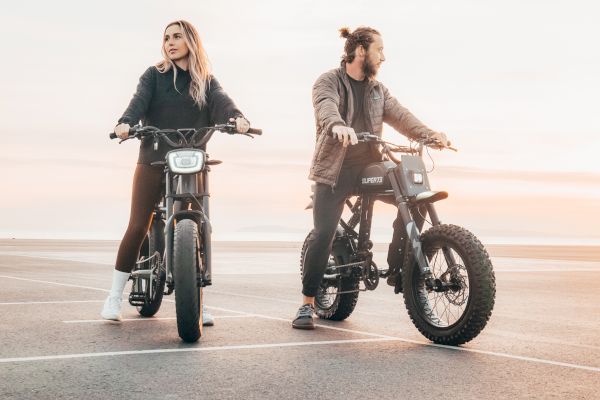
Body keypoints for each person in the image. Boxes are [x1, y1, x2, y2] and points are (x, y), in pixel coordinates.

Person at [293, 26, 450, 329]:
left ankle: (399, 267)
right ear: (361, 51)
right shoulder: (328, 81)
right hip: (335, 169)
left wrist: (429, 134)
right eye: (380, 50)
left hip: (369, 166)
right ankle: (306, 304)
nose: (383, 57)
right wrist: (337, 124)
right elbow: (325, 107)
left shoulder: (378, 89)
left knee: (413, 197)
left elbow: (401, 116)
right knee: (323, 233)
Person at [101, 20, 251, 323]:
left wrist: (237, 118)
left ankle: (197, 299)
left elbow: (223, 103)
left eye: (177, 37)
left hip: (190, 159)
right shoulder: (154, 76)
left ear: (190, 41)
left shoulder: (205, 81)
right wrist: (125, 123)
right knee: (137, 224)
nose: (170, 42)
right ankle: (114, 296)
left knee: (199, 223)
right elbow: (137, 104)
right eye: (166, 37)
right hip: (154, 157)